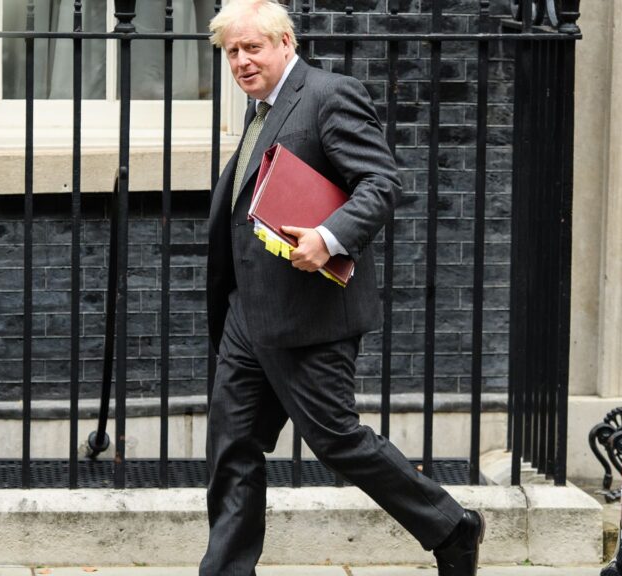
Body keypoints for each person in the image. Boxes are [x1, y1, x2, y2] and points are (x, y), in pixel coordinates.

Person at [201, 2, 483, 575]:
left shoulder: (328, 94)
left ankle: (450, 524)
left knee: (336, 440)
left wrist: (329, 239)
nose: (241, 60)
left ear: (285, 41)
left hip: (307, 312)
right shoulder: (259, 112)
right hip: (245, 315)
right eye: (231, 51)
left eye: (251, 47)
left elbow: (380, 183)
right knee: (233, 448)